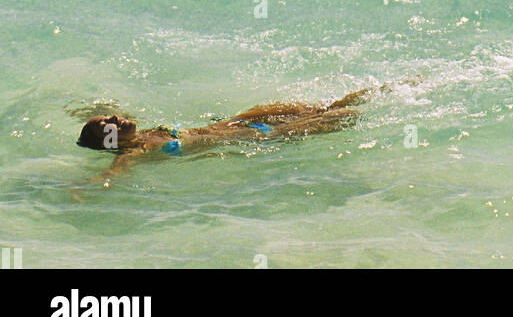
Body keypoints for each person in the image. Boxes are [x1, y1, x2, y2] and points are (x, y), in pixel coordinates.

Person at [75, 89, 371, 183]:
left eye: (109, 117)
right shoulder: (132, 153)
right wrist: (84, 188)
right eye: (106, 124)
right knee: (342, 118)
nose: (114, 119)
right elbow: (113, 173)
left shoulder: (147, 133)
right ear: (109, 141)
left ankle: (389, 89)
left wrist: (87, 110)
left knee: (326, 106)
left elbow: (114, 116)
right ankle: (385, 106)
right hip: (249, 137)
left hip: (236, 122)